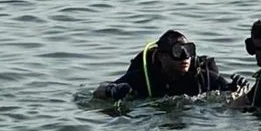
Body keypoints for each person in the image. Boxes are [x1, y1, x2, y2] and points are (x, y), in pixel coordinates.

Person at [93, 30, 246, 100]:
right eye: (177, 52)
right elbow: (96, 92)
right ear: (162, 56)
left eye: (188, 50)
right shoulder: (144, 77)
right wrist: (111, 91)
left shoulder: (202, 77)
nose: (185, 57)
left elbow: (231, 97)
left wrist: (235, 90)